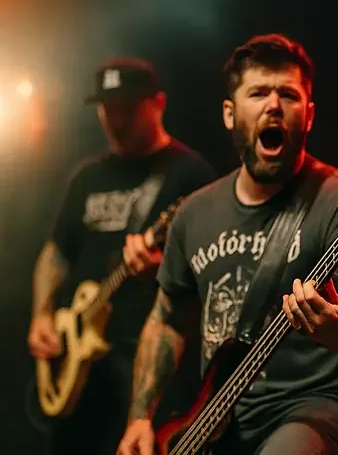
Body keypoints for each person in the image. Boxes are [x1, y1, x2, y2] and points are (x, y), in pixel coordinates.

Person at [116, 34, 338, 455]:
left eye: (288, 94)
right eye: (258, 93)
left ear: (309, 114)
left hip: (315, 406)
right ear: (230, 113)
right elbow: (166, 321)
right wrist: (140, 418)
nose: (273, 105)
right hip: (219, 415)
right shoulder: (193, 214)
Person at [28, 57, 216, 455]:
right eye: (107, 110)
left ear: (159, 103)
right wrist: (42, 314)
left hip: (143, 369)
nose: (115, 121)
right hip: (77, 368)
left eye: (127, 109)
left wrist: (159, 272)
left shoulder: (191, 175)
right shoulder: (88, 176)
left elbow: (213, 276)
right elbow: (55, 253)